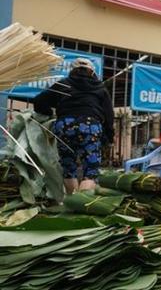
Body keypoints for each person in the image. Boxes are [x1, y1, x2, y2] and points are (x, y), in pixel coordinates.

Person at [33, 58, 114, 194]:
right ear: (92, 71)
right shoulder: (100, 88)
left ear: (72, 70)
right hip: (90, 126)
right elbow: (109, 115)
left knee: (68, 167)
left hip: (65, 125)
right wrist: (109, 136)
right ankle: (80, 204)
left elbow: (39, 100)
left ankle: (71, 200)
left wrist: (48, 112)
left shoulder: (63, 84)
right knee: (91, 170)